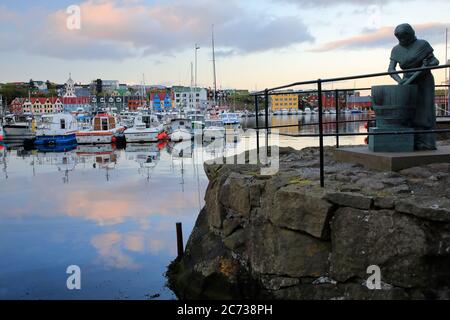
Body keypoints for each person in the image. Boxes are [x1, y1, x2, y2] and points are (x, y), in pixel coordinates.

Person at [388, 23, 440, 150]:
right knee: (410, 111)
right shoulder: (396, 49)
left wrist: (426, 66)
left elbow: (435, 61)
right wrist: (400, 81)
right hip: (407, 83)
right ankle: (411, 141)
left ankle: (427, 143)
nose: (401, 40)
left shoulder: (422, 44)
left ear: (410, 34)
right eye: (399, 38)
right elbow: (391, 69)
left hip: (424, 81)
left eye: (403, 37)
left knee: (425, 111)